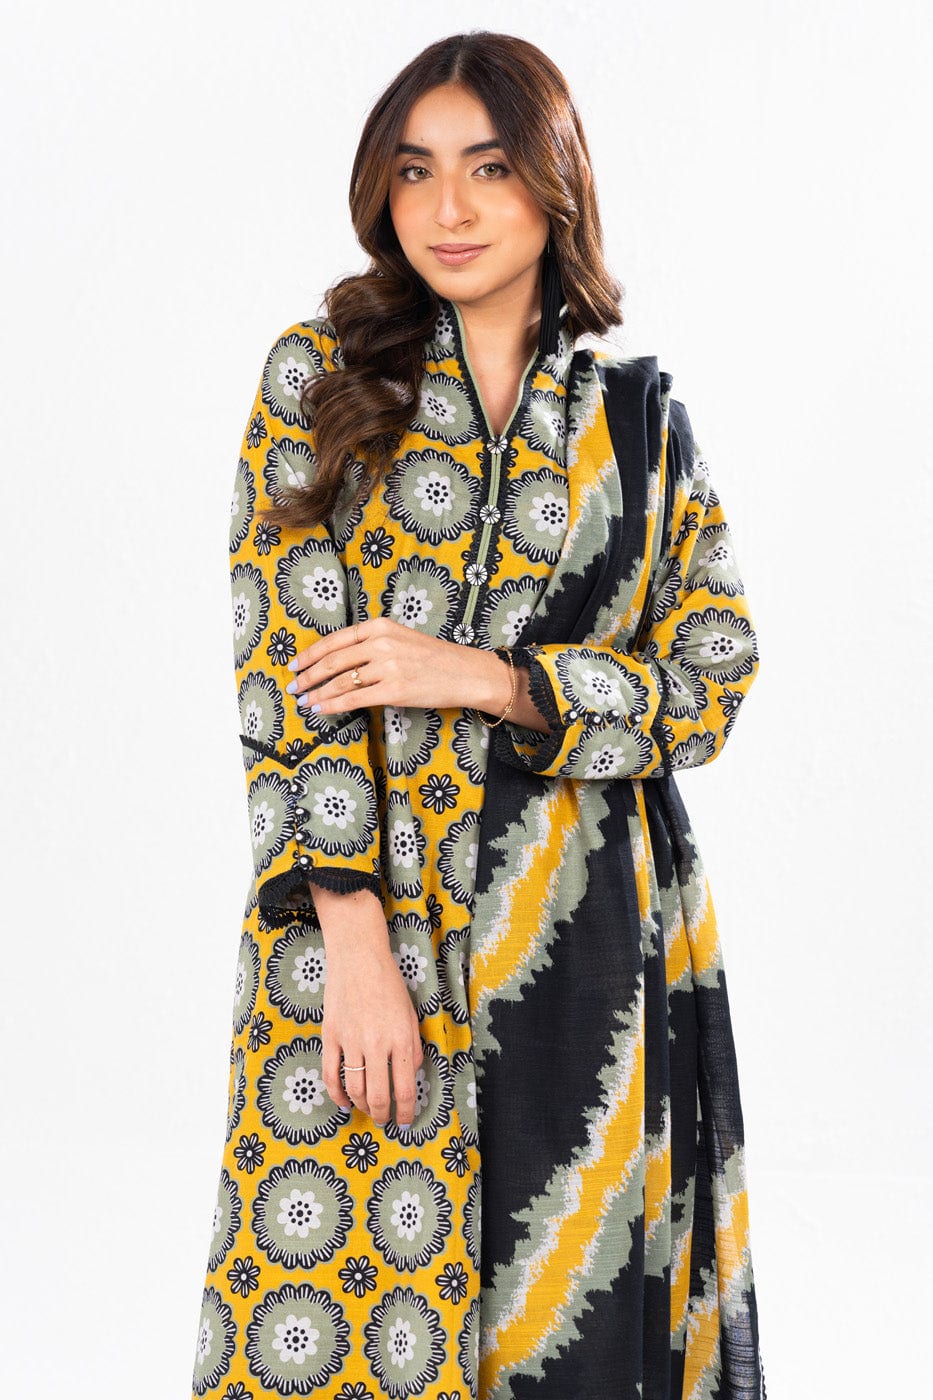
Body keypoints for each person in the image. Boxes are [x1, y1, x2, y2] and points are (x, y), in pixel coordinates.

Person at [190, 30, 767, 1400]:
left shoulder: (637, 424)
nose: (446, 208)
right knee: (339, 1318)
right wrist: (355, 948)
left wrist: (499, 682)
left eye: (488, 168)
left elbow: (713, 677)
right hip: (371, 920)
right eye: (414, 171)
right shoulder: (323, 382)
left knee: (573, 1321)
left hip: (590, 942)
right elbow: (284, 678)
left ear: (555, 185)